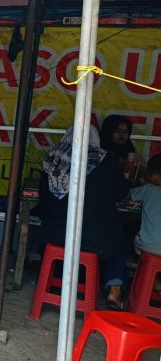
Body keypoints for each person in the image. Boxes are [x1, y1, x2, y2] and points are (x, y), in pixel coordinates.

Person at [38, 127, 129, 309]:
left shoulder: (54, 159)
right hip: (95, 241)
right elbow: (122, 192)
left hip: (55, 236)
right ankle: (115, 290)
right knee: (120, 238)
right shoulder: (106, 161)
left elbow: (43, 200)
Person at [130, 154, 161, 294]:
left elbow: (127, 195)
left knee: (137, 240)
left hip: (150, 247)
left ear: (153, 175)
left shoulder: (149, 189)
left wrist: (140, 180)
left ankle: (152, 280)